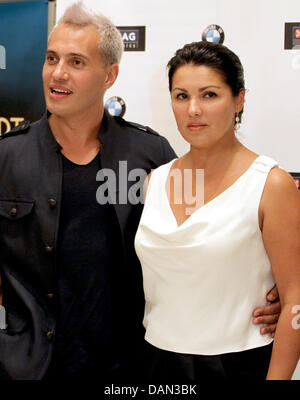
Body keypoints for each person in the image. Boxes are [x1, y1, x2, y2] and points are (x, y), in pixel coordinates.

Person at [0, 2, 280, 380]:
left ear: (109, 75)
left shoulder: (151, 155)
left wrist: (267, 292)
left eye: (77, 62)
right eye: (52, 58)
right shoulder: (6, 157)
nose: (58, 73)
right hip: (27, 368)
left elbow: (205, 246)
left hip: (131, 369)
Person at [135, 41, 300, 381]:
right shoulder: (154, 182)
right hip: (157, 365)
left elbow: (296, 298)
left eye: (209, 95)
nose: (193, 109)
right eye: (181, 96)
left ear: (239, 99)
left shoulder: (271, 185)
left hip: (239, 367)